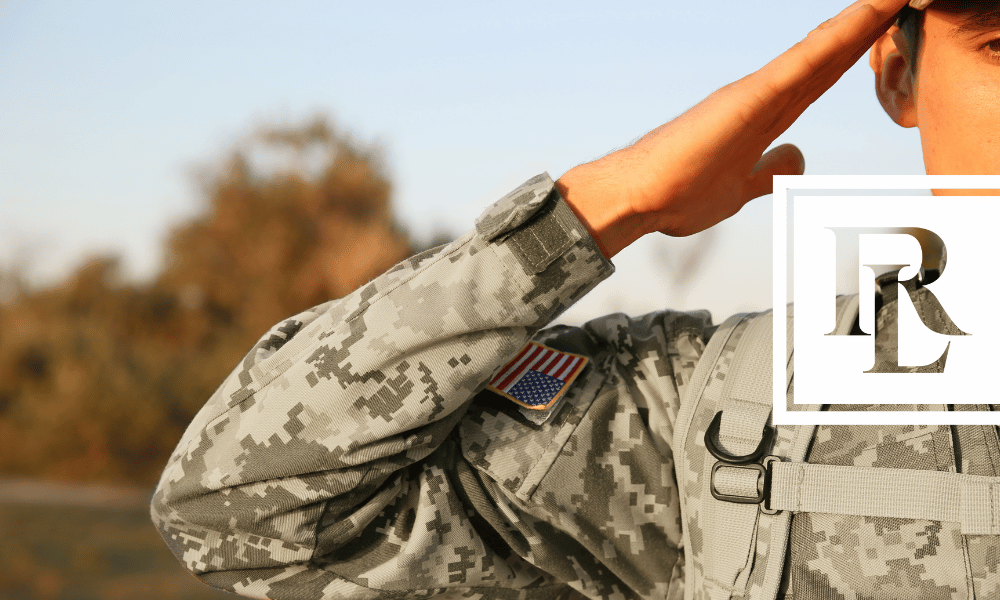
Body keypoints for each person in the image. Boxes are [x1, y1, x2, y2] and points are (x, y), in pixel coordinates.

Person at [150, 1, 1000, 598]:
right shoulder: (728, 421)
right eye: (999, 43)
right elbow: (235, 508)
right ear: (897, 77)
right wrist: (596, 211)